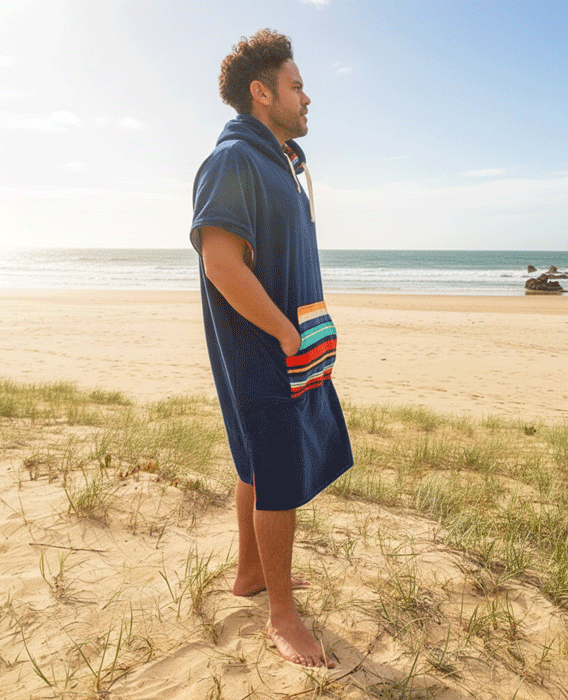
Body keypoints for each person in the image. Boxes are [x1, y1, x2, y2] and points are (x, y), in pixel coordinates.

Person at [190, 29, 353, 668]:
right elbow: (221, 263)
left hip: (284, 341)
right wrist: (286, 334)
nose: (308, 97)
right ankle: (281, 616)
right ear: (262, 93)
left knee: (256, 463)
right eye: (296, 85)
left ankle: (250, 576)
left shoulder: (277, 158)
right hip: (262, 347)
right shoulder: (232, 160)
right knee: (278, 472)